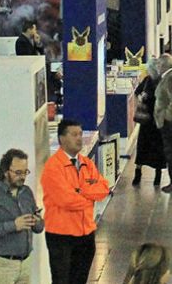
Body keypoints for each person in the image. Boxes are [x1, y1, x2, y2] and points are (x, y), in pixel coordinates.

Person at [40, 118, 110, 284]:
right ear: (62, 138)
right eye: (74, 134)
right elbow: (67, 200)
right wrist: (88, 195)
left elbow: (103, 189)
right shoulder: (53, 167)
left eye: (80, 134)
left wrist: (80, 191)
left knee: (80, 280)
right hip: (61, 237)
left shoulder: (86, 163)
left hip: (86, 234)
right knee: (62, 280)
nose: (79, 138)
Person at [0, 149, 44, 284]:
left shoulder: (26, 192)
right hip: (0, 265)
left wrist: (37, 222)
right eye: (18, 172)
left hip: (25, 264)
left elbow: (39, 227)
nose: (23, 176)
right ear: (5, 171)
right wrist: (13, 225)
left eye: (25, 172)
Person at [152, 54, 172, 193]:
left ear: (164, 65)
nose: (157, 67)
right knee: (169, 151)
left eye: (159, 64)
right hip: (164, 121)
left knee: (171, 152)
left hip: (169, 122)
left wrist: (167, 115)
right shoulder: (166, 77)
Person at [131, 63, 166, 187]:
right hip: (156, 121)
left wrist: (141, 100)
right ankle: (157, 176)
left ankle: (138, 173)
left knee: (143, 148)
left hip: (148, 121)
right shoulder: (161, 82)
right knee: (157, 149)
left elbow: (137, 93)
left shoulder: (148, 81)